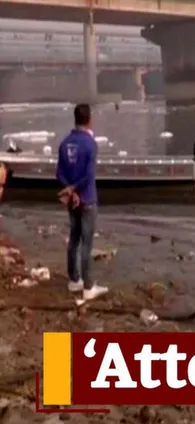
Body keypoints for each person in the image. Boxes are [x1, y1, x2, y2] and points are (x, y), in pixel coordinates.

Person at [56, 104, 109, 301]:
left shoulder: (64, 143)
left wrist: (69, 190)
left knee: (74, 238)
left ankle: (73, 280)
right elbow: (88, 175)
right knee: (87, 243)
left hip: (72, 200)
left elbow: (59, 173)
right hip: (87, 198)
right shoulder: (90, 144)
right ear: (89, 119)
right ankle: (88, 286)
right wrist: (76, 190)